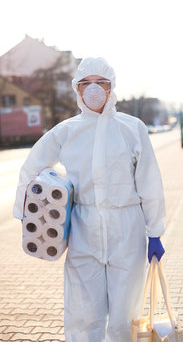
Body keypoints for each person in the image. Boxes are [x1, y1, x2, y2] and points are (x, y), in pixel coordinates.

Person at [13, 57, 166, 342]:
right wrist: (27, 214)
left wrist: (155, 232)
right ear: (77, 89)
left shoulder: (132, 129)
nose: (94, 89)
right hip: (84, 230)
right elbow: (32, 167)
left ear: (111, 88)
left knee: (125, 320)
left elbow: (150, 182)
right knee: (83, 319)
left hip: (127, 231)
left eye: (101, 83)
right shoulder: (66, 131)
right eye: (86, 83)